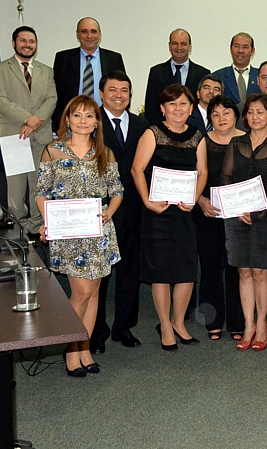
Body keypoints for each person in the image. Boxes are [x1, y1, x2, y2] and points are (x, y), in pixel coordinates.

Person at [35, 95, 123, 377]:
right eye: (77, 115)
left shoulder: (104, 153)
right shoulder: (53, 151)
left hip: (98, 230)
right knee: (82, 291)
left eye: (89, 116)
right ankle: (70, 350)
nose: (83, 121)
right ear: (68, 120)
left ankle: (83, 348)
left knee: (95, 291)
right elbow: (41, 193)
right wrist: (48, 219)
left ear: (97, 121)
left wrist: (110, 211)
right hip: (69, 232)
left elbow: (117, 190)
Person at [131, 84, 208, 351]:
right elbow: (137, 169)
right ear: (162, 108)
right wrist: (147, 202)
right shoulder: (152, 133)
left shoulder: (197, 136)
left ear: (191, 108)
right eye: (172, 104)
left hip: (185, 213)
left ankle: (179, 321)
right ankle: (164, 323)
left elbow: (203, 172)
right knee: (161, 272)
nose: (178, 109)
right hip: (158, 213)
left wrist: (194, 198)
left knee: (186, 270)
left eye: (183, 104)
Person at [222, 94, 267, 352]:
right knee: (243, 271)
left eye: (260, 112)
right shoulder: (235, 143)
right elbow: (226, 177)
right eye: (250, 112)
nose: (255, 117)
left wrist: (258, 213)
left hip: (263, 218)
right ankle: (248, 324)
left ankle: (262, 324)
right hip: (236, 217)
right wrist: (237, 208)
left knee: (260, 272)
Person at [91, 71, 149, 353]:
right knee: (99, 275)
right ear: (101, 93)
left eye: (124, 90)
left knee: (129, 271)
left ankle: (123, 327)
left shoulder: (142, 126)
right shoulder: (90, 122)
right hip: (100, 209)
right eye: (112, 90)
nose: (118, 95)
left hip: (135, 209)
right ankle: (95, 331)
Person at [0, 25, 57, 237]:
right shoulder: (0, 69)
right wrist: (27, 118)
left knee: (39, 183)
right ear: (14, 43)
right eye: (23, 41)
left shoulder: (46, 70)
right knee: (17, 187)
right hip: (15, 135)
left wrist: (35, 122)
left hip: (41, 135)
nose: (28, 45)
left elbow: (52, 99)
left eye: (32, 41)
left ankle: (37, 227)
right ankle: (19, 228)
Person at [194, 96, 246, 341]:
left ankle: (238, 321)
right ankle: (212, 321)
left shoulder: (247, 140)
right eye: (215, 114)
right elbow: (195, 176)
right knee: (211, 267)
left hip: (240, 215)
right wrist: (201, 200)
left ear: (235, 115)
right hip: (209, 213)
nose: (221, 118)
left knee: (237, 268)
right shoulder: (202, 141)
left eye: (226, 112)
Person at [53, 17, 125, 128]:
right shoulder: (63, 58)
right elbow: (57, 94)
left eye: (93, 31)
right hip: (73, 122)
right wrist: (59, 124)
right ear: (77, 35)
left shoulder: (114, 59)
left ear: (100, 35)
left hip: (105, 121)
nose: (89, 36)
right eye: (84, 31)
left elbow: (122, 90)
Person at [144, 29, 210, 126]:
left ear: (190, 47)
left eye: (183, 44)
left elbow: (205, 105)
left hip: (194, 129)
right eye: (175, 43)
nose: (179, 47)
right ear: (169, 46)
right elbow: (151, 106)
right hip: (163, 129)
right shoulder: (156, 72)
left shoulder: (202, 73)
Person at [213, 32, 259, 105]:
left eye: (245, 47)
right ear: (231, 49)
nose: (240, 51)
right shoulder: (217, 76)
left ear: (252, 51)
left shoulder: (260, 76)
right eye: (237, 46)